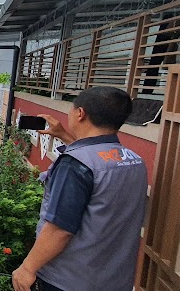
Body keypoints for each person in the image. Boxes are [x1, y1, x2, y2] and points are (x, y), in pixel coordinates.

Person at [11, 87, 147, 291]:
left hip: (67, 280)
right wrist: (65, 136)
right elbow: (97, 163)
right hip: (114, 281)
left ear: (80, 113)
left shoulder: (74, 165)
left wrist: (27, 268)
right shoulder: (135, 161)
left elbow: (60, 229)